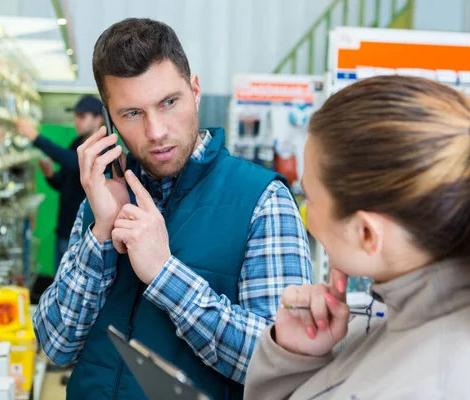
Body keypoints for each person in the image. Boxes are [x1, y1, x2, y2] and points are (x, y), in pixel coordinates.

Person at [33, 18, 312, 400]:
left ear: (195, 90)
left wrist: (165, 275)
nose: (156, 131)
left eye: (169, 102)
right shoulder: (104, 197)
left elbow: (281, 367)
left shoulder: (263, 200)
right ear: (109, 119)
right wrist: (100, 233)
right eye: (132, 113)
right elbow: (55, 344)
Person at [244, 76, 470, 399]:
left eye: (311, 197)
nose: (305, 210)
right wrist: (292, 356)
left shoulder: (435, 387)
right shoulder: (390, 320)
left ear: (366, 234)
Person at [16, 95, 104, 271]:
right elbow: (63, 183)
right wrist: (50, 175)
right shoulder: (77, 143)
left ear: (98, 119)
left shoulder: (102, 147)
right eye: (75, 116)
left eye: (82, 116)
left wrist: (35, 138)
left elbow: (74, 162)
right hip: (64, 229)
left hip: (82, 234)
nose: (76, 121)